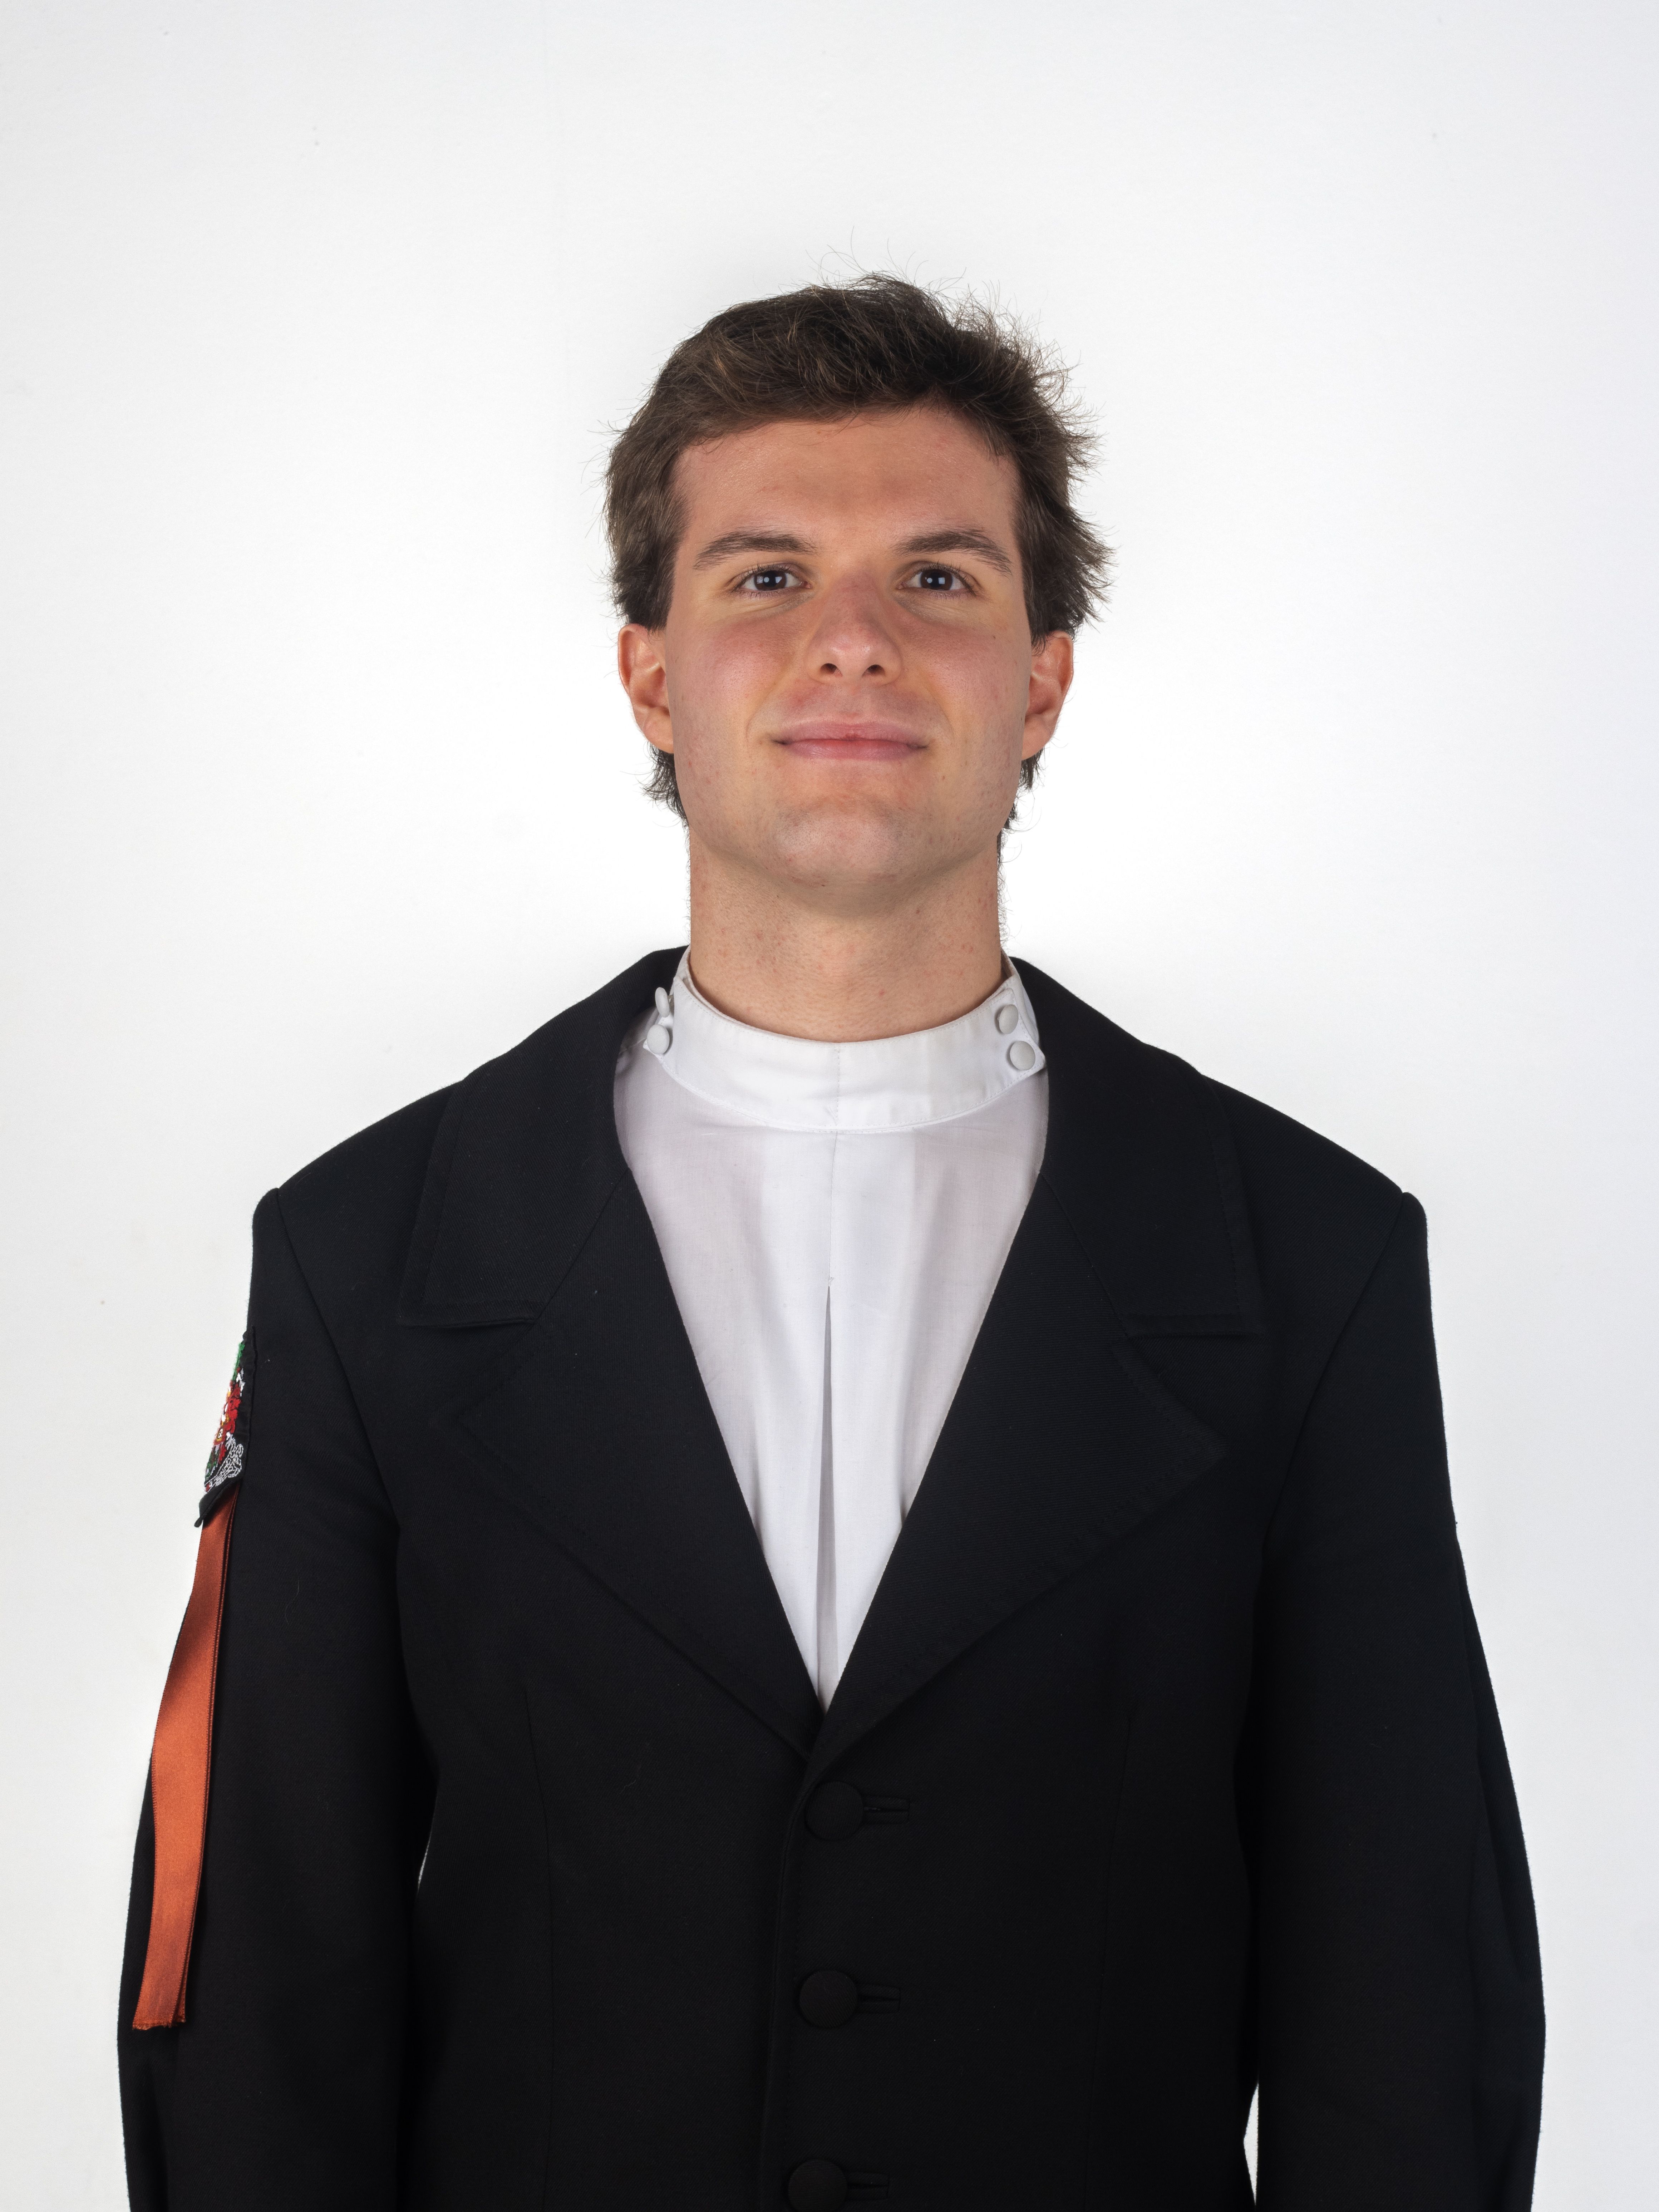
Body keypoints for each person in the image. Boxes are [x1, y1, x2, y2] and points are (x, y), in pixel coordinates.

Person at [117, 275, 1544, 2211]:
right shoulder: (367, 1257)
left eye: (939, 579)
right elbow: (261, 1971)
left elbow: (1408, 1993)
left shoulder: (1310, 1261)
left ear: (1043, 682)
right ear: (653, 678)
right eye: (768, 576)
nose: (853, 638)